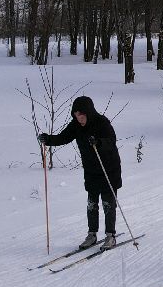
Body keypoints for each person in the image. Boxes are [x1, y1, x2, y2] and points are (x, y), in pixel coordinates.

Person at [38, 95, 124, 251]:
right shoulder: (76, 125)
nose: (79, 119)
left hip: (108, 169)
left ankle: (110, 236)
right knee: (92, 203)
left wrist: (98, 142)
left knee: (107, 203)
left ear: (89, 113)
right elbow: (63, 138)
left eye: (81, 115)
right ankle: (92, 234)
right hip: (91, 170)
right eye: (76, 116)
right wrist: (48, 140)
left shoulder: (102, 123)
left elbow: (111, 141)